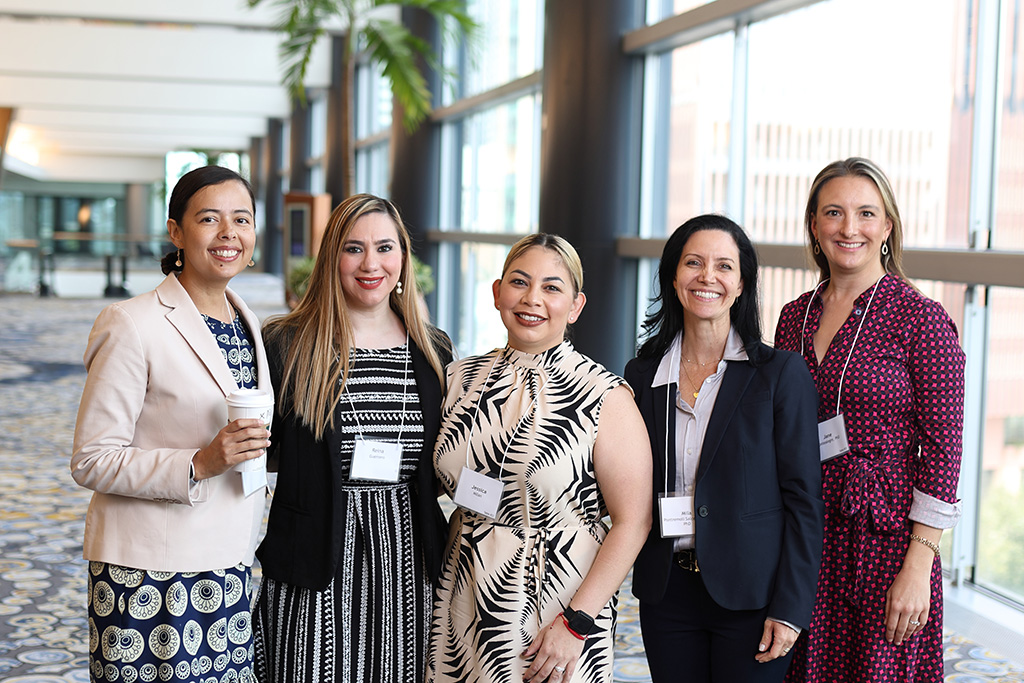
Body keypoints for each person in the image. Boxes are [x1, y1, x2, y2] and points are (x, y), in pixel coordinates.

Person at [71, 165, 271, 683]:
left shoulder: (248, 322)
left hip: (227, 563)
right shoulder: (131, 322)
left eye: (242, 219)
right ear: (176, 232)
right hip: (148, 571)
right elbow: (92, 459)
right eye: (209, 219)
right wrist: (198, 463)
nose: (229, 233)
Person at [426, 233, 653, 683]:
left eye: (552, 287)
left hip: (555, 603)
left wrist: (577, 622)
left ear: (575, 306)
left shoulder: (603, 395)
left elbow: (634, 522)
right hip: (461, 592)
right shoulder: (458, 378)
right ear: (497, 292)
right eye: (519, 282)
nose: (532, 299)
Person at [774, 158, 965, 683]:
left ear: (886, 226)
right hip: (804, 531)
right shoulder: (793, 316)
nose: (849, 228)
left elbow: (944, 451)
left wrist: (919, 564)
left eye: (865, 213)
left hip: (885, 541)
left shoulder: (920, 318)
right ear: (814, 224)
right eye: (833, 212)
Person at [252, 194, 452, 683]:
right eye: (353, 248)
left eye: (385, 247)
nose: (371, 264)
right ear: (331, 258)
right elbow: (263, 454)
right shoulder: (286, 343)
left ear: (403, 257)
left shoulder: (434, 349)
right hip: (314, 559)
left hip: (409, 561)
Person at [625, 215, 823, 683]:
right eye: (693, 263)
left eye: (724, 266)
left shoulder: (779, 374)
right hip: (667, 592)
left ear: (741, 284)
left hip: (752, 596)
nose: (707, 276)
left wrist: (791, 608)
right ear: (673, 277)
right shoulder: (642, 375)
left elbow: (804, 501)